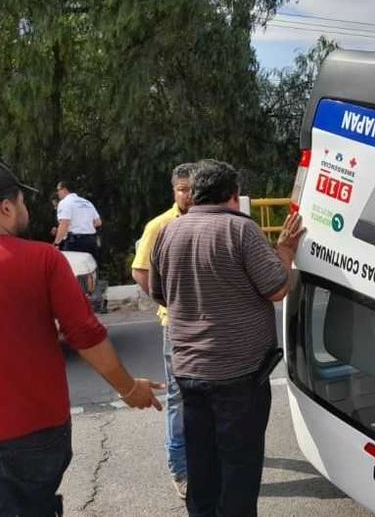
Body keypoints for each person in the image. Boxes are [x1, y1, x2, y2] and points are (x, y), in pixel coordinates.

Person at [0, 160, 164, 517]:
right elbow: (85, 335)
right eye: (22, 202)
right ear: (7, 207)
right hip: (33, 433)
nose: (26, 209)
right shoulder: (43, 260)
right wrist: (129, 389)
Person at [150, 159, 304, 517]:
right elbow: (277, 288)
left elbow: (160, 294)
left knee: (201, 467)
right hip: (239, 375)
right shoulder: (241, 230)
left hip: (189, 372)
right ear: (233, 195)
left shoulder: (169, 232)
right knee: (238, 470)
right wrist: (284, 251)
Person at [131, 163, 195, 499]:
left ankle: (203, 456)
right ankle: (180, 470)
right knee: (177, 399)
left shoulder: (207, 218)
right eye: (182, 189)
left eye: (192, 188)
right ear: (174, 191)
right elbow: (139, 270)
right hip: (176, 326)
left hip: (205, 324)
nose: (188, 194)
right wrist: (164, 300)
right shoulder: (159, 225)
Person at [52, 180, 102, 259]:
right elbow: (98, 222)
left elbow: (64, 224)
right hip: (91, 241)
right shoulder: (87, 202)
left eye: (58, 190)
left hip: (75, 243)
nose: (57, 193)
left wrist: (56, 243)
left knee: (73, 268)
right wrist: (84, 225)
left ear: (64, 190)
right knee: (89, 268)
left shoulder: (65, 202)